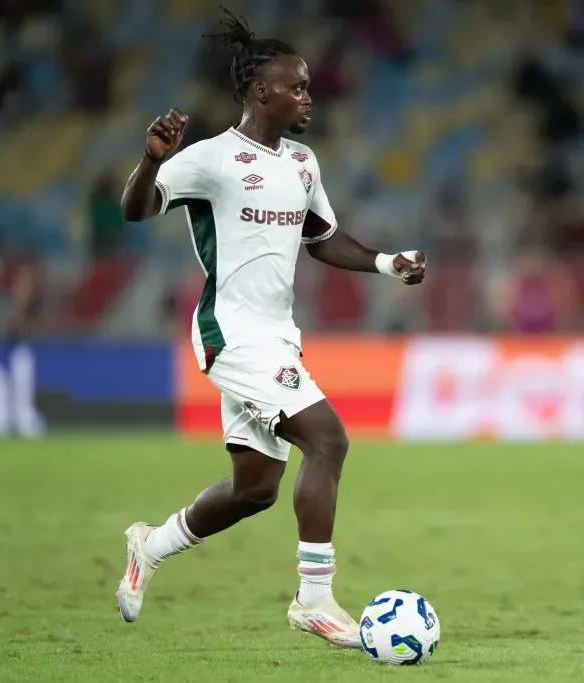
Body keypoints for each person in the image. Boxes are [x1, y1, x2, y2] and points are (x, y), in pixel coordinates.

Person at [116, 8, 427, 649]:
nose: (308, 96)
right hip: (230, 333)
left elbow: (323, 238)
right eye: (297, 86)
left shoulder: (303, 163)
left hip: (278, 334)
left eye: (308, 86)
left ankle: (151, 545)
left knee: (254, 489)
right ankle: (313, 599)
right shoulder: (210, 160)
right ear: (261, 91)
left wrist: (386, 263)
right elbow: (135, 209)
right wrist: (151, 162)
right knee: (329, 441)